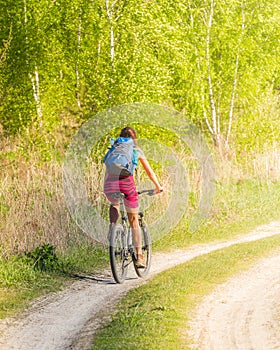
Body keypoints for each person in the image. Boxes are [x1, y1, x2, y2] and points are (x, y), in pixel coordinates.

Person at [104, 126, 163, 268]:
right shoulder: (136, 150)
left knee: (115, 204)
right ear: (134, 138)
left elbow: (107, 170)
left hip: (110, 183)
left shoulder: (113, 148)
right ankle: (140, 257)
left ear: (121, 137)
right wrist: (158, 186)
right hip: (127, 183)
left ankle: (112, 227)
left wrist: (105, 188)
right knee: (134, 220)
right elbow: (149, 172)